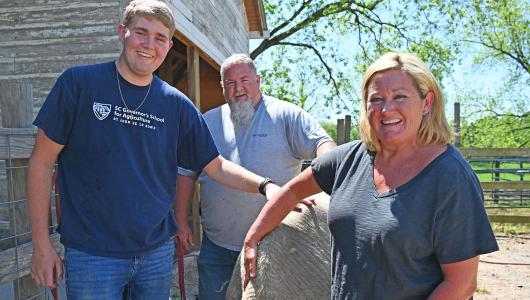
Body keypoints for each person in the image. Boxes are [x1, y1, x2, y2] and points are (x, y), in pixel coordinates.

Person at [27, 1, 280, 299]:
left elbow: (216, 165)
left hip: (156, 255)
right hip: (93, 255)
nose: (149, 44)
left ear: (168, 45)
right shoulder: (79, 84)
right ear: (123, 33)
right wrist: (42, 247)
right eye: (141, 33)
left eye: (160, 38)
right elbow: (41, 163)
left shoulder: (177, 105)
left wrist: (267, 187)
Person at [242, 52, 499, 299]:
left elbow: (461, 284)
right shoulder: (349, 159)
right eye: (376, 99)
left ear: (427, 102)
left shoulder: (450, 176)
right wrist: (252, 238)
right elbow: (292, 191)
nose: (387, 109)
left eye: (400, 96)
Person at [185, 53, 336, 299]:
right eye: (230, 83)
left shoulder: (286, 115)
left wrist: (318, 185)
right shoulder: (207, 121)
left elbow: (325, 147)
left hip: (276, 243)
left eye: (244, 79)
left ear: (258, 80)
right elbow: (186, 173)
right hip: (219, 244)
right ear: (222, 87)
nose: (238, 88)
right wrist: (181, 220)